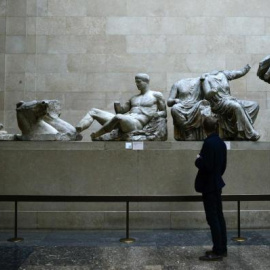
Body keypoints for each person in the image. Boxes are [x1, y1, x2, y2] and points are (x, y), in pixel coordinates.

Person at [76, 73, 167, 140]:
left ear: (146, 82)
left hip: (137, 124)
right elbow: (121, 111)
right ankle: (76, 131)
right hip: (124, 120)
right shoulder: (134, 98)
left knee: (119, 117)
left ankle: (97, 135)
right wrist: (117, 105)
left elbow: (164, 112)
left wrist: (157, 114)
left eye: (139, 82)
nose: (137, 84)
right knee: (93, 111)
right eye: (136, 82)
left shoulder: (156, 95)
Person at [195, 117, 227, 261]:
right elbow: (223, 165)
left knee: (213, 218)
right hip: (217, 183)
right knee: (219, 217)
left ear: (204, 128)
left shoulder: (208, 143)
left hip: (209, 185)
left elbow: (205, 165)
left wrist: (198, 160)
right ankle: (221, 248)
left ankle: (218, 251)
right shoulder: (221, 143)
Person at [201, 65, 260, 141]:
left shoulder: (224, 74)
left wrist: (248, 67)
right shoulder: (206, 78)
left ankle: (241, 133)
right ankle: (250, 132)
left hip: (230, 100)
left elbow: (240, 72)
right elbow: (207, 95)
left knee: (254, 105)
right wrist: (212, 92)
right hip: (219, 103)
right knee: (236, 106)